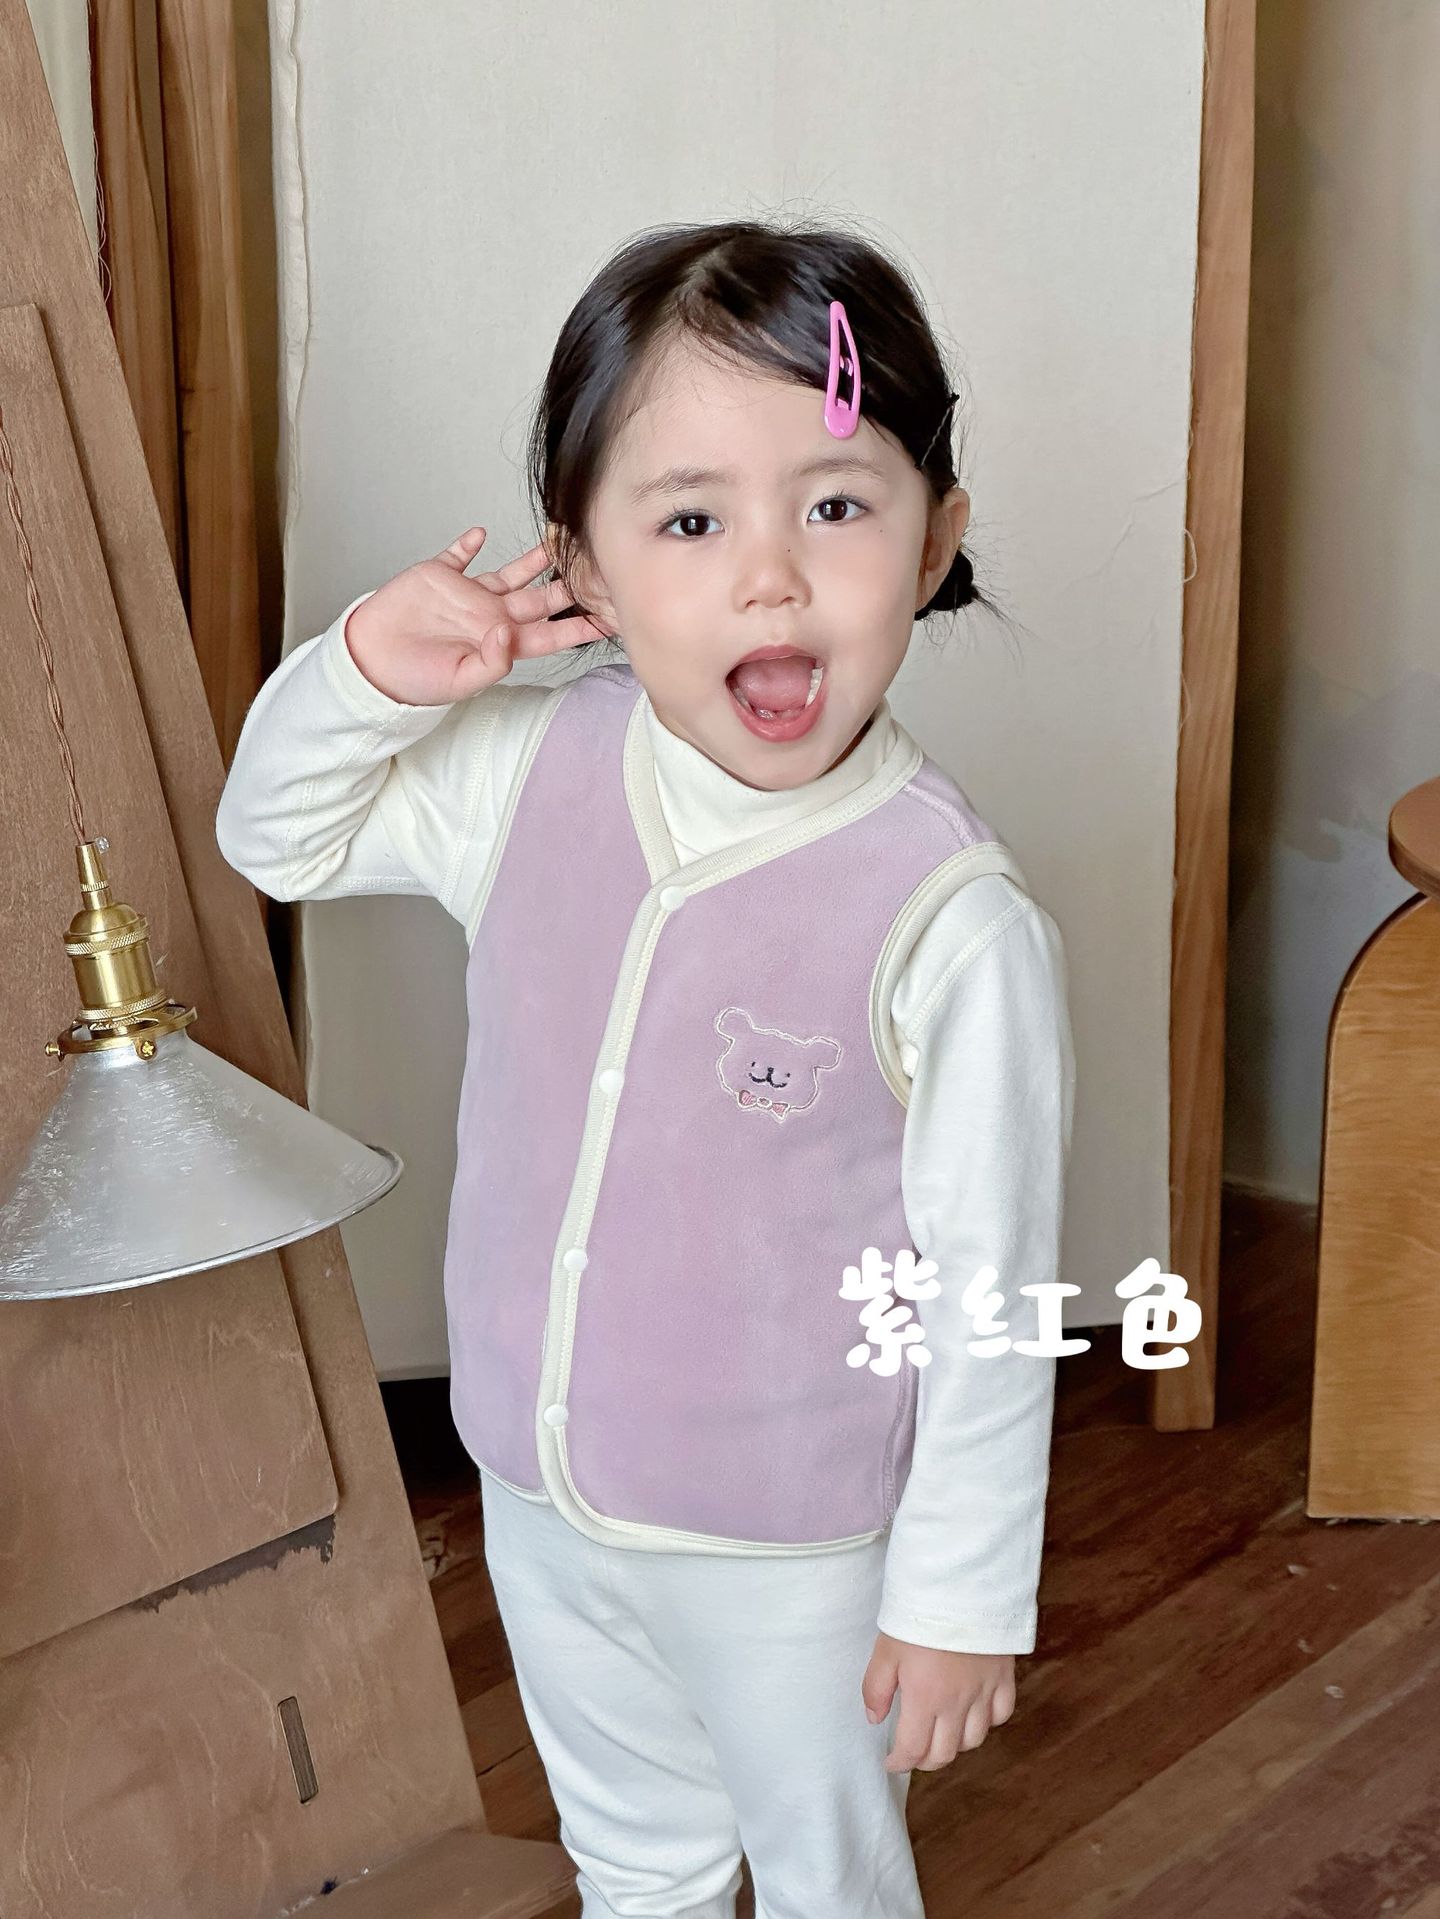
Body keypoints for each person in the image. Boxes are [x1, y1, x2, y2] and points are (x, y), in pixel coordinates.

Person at [216, 217, 1076, 1919]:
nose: (770, 578)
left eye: (837, 507)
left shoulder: (951, 920)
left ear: (934, 541)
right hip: (541, 1493)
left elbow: (992, 1294)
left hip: (794, 1545)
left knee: (826, 1878)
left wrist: (960, 1595)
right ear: (586, 574)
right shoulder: (525, 771)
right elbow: (276, 835)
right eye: (690, 521)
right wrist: (371, 672)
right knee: (636, 1861)